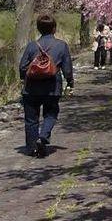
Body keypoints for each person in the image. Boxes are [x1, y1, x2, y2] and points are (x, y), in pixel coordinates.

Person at [18, 13, 75, 158]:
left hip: (31, 88)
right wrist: (70, 81)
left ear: (38, 28)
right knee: (51, 114)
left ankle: (32, 148)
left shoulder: (31, 46)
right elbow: (67, 69)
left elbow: (22, 66)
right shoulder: (61, 45)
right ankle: (43, 137)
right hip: (52, 87)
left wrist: (25, 78)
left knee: (31, 119)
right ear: (54, 28)